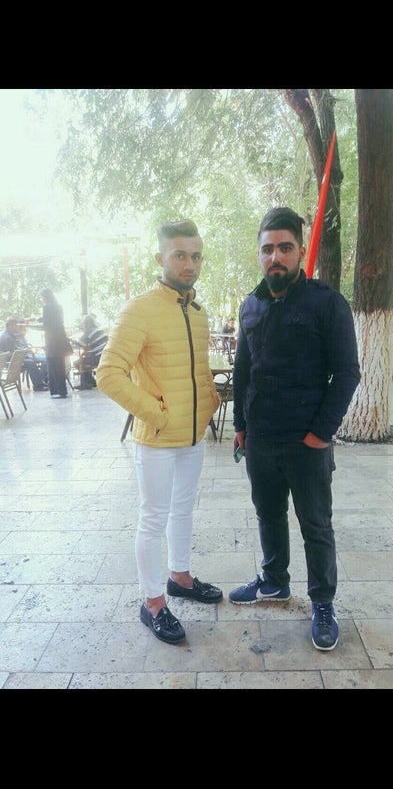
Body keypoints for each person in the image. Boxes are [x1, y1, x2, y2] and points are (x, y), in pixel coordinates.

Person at [229, 207, 361, 651]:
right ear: (259, 254)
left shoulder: (326, 303)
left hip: (307, 442)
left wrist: (321, 434)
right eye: (267, 249)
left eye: (285, 247)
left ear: (301, 251)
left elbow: (347, 373)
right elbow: (243, 370)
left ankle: (322, 603)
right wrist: (241, 426)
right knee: (268, 515)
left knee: (316, 526)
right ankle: (273, 580)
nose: (276, 257)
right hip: (261, 440)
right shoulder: (250, 305)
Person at [96, 219, 222, 645]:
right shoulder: (139, 310)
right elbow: (108, 374)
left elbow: (196, 369)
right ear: (160, 258)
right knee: (153, 518)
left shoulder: (198, 312)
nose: (189, 264)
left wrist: (209, 401)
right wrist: (158, 414)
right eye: (180, 255)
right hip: (157, 439)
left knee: (183, 510)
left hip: (192, 436)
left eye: (196, 255)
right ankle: (152, 603)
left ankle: (179, 578)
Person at [38, 288, 70, 399]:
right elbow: (56, 320)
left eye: (41, 297)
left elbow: (46, 324)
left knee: (52, 364)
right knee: (59, 364)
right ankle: (62, 391)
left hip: (52, 340)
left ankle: (57, 391)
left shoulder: (46, 307)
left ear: (45, 297)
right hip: (60, 338)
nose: (41, 299)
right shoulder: (58, 307)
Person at [0, 318, 48, 391]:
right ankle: (38, 385)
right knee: (30, 362)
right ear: (10, 326)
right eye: (16, 325)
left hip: (20, 356)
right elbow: (11, 354)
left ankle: (41, 380)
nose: (17, 327)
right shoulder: (7, 337)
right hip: (12, 360)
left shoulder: (11, 334)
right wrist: (26, 355)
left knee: (44, 359)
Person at [70, 315, 109, 390]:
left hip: (97, 358)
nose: (83, 326)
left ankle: (87, 383)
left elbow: (80, 343)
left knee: (77, 363)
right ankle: (91, 382)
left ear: (87, 324)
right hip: (106, 356)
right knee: (83, 358)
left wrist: (72, 340)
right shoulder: (100, 330)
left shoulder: (89, 332)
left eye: (83, 324)